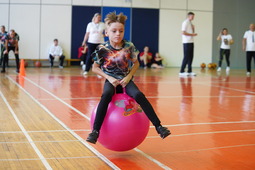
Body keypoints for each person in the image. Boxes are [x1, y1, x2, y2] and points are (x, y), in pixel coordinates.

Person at [86, 12, 171, 144]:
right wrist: (108, 78)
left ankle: (159, 127)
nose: (118, 34)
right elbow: (95, 68)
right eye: (114, 31)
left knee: (138, 95)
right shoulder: (102, 49)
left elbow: (136, 63)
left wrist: (129, 76)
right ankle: (95, 131)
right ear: (107, 33)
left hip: (126, 79)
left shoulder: (129, 46)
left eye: (121, 31)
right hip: (111, 79)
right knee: (106, 95)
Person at [179, 12, 198, 77]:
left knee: (191, 57)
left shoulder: (190, 23)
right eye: (192, 16)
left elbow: (191, 32)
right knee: (186, 56)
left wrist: (193, 29)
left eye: (193, 16)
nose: (193, 17)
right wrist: (192, 34)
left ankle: (189, 71)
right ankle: (181, 71)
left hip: (191, 41)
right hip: (186, 42)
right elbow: (183, 32)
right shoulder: (185, 22)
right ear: (188, 16)